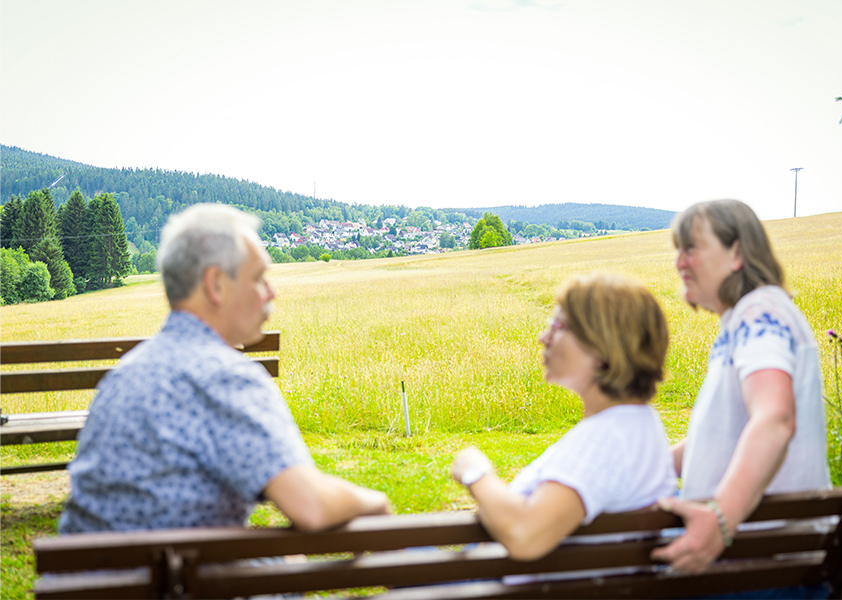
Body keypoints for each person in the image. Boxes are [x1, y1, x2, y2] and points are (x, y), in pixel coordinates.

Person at [59, 203, 390, 534]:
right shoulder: (226, 378)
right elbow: (312, 505)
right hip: (182, 583)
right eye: (259, 277)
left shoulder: (124, 374)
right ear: (216, 284)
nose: (271, 292)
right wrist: (376, 503)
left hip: (99, 579)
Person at [651, 200, 831, 589]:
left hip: (757, 568)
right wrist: (652, 467)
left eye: (692, 248)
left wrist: (719, 521)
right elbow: (727, 435)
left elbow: (775, 419)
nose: (679, 261)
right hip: (761, 562)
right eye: (677, 250)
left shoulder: (759, 313)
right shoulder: (750, 317)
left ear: (737, 253)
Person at [451, 272, 677, 561]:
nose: (543, 337)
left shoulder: (607, 437)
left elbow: (526, 535)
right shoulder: (641, 423)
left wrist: (475, 472)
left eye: (558, 326)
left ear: (601, 346)